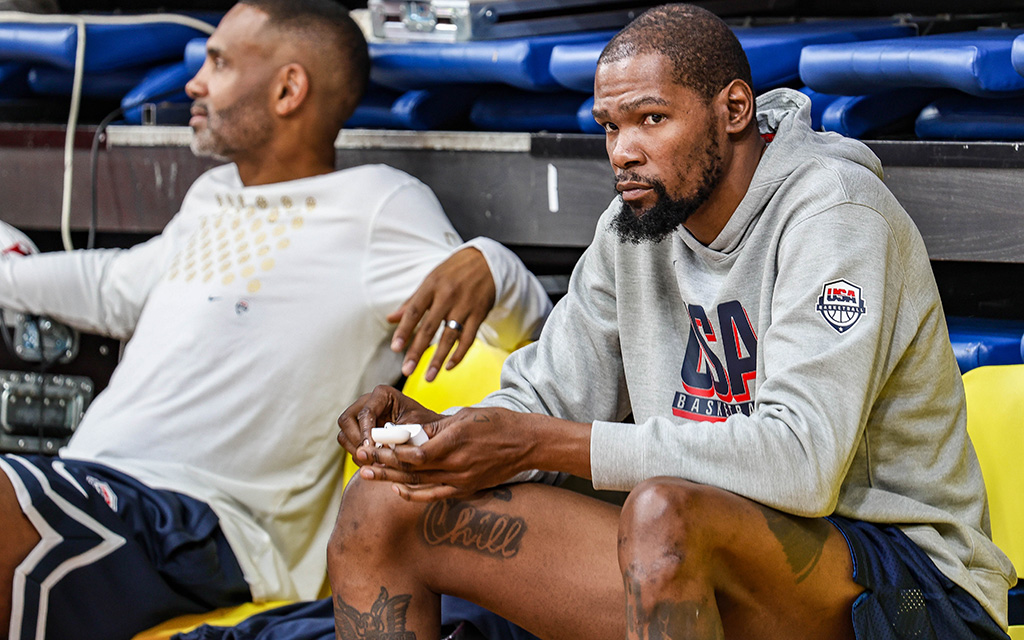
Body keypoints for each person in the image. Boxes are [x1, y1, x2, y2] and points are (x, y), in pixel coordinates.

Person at [330, 4, 1018, 640]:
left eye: (651, 119)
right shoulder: (632, 227)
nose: (623, 150)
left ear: (734, 110)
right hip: (694, 547)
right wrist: (438, 437)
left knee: (664, 513)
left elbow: (803, 466)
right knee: (382, 507)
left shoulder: (835, 213)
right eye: (609, 126)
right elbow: (542, 405)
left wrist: (538, 441)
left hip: (910, 589)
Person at [0, 1, 550, 638]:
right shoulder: (212, 197)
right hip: (90, 485)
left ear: (289, 88)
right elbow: (117, 285)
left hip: (205, 525)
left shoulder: (377, 205)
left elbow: (531, 337)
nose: (193, 83)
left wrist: (490, 262)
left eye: (220, 63)